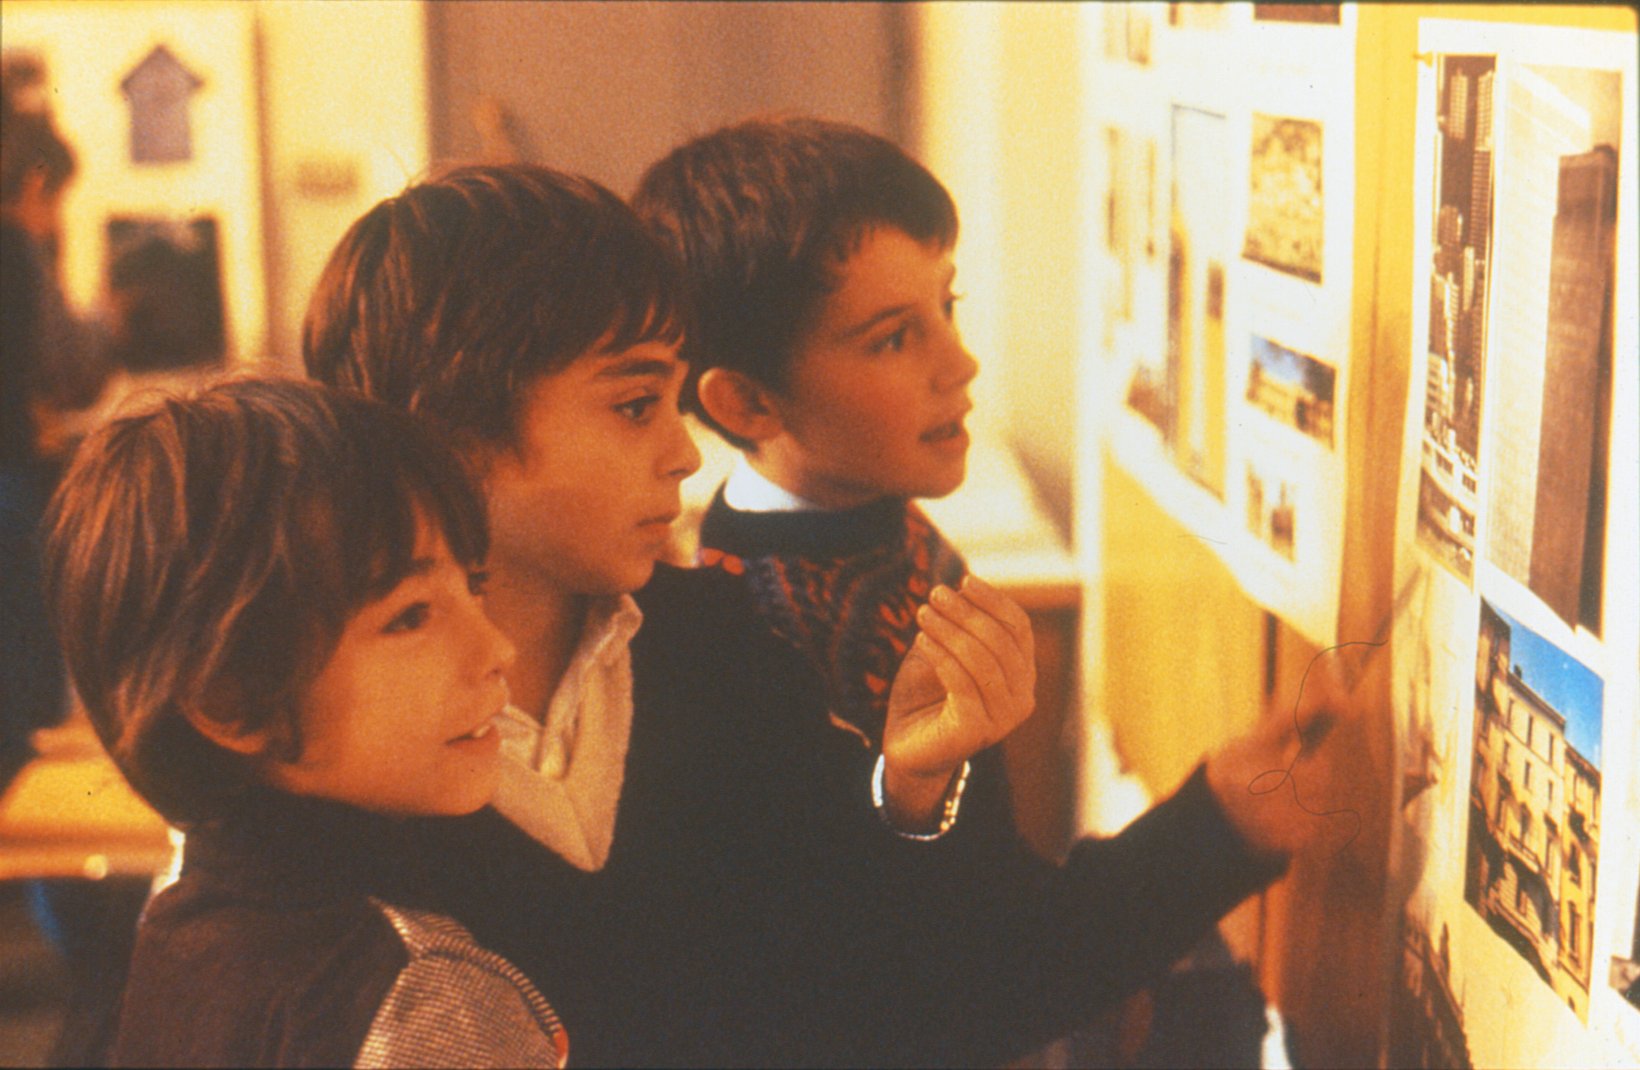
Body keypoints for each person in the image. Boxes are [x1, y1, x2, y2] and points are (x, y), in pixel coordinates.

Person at [306, 162, 1349, 1067]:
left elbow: (924, 988)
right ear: (446, 436)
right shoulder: (332, 760)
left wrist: (1201, 822)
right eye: (633, 406)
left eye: (674, 402)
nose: (680, 451)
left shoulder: (705, 649)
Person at [631, 113, 1287, 1066]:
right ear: (746, 403)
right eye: (896, 338)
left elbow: (987, 903)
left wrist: (1221, 817)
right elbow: (962, 979)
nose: (960, 362)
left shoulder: (881, 523)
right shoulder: (762, 644)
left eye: (949, 305)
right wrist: (1211, 834)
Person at [39, 377, 567, 1068]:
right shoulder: (425, 996)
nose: (498, 649)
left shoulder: (178, 923)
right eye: (409, 615)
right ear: (232, 702)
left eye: (473, 586)